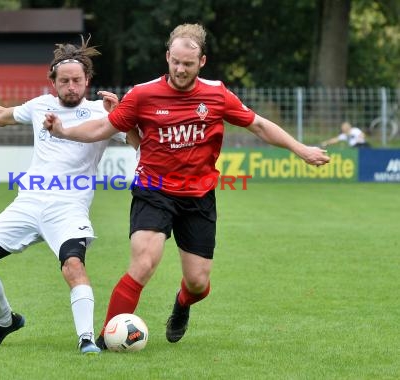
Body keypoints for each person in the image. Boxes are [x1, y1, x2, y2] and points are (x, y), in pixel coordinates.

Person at [43, 23, 330, 348]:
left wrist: (301, 149)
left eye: (188, 64)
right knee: (144, 263)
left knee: (197, 283)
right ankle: (107, 338)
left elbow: (260, 126)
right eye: (175, 62)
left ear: (201, 62)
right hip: (154, 191)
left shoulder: (217, 94)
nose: (180, 69)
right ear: (168, 57)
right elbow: (103, 128)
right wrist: (64, 131)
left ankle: (182, 304)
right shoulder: (143, 94)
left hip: (198, 196)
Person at [0, 36, 139, 355]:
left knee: (73, 265)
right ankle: (5, 321)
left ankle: (86, 339)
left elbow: (139, 143)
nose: (71, 86)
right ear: (53, 82)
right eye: (64, 80)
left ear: (87, 81)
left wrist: (121, 114)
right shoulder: (40, 106)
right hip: (28, 204)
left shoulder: (101, 112)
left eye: (77, 80)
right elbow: (0, 116)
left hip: (69, 208)